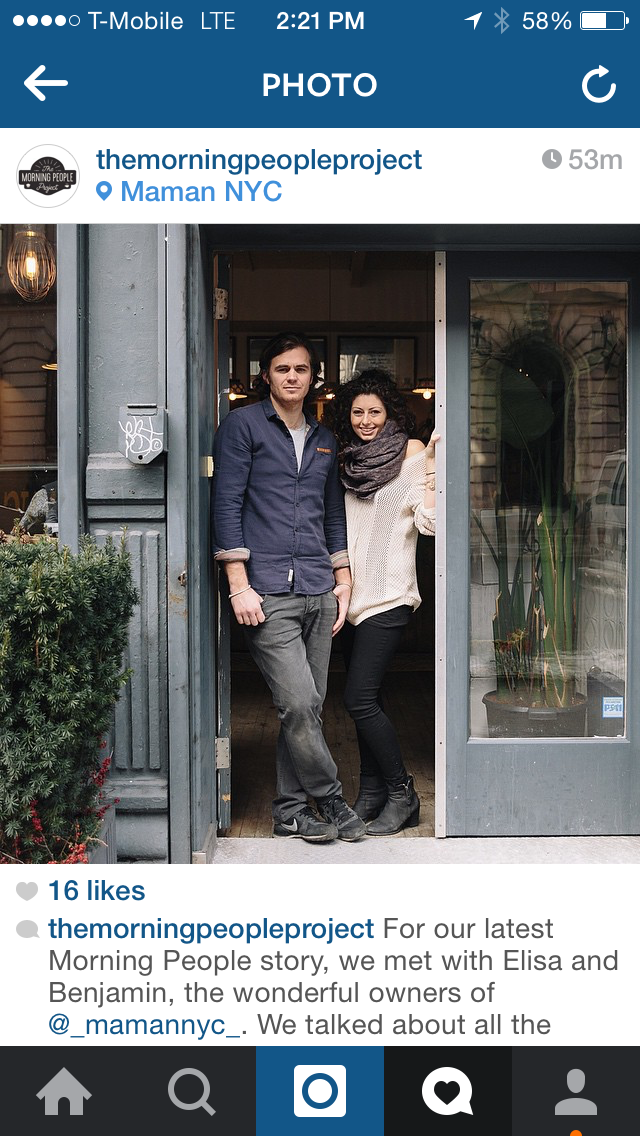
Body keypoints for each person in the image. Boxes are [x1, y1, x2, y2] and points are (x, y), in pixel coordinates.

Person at [211, 331, 366, 843]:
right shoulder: (242, 426)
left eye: (301, 369)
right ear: (266, 376)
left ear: (313, 378)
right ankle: (332, 799)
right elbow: (226, 505)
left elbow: (332, 515)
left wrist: (342, 579)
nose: (292, 377)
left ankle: (289, 811)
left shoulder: (325, 438)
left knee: (307, 707)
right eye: (283, 369)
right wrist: (238, 583)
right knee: (298, 702)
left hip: (319, 590)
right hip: (268, 591)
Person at [333, 370, 439, 835]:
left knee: (358, 699)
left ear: (390, 412)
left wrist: (434, 474)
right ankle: (373, 792)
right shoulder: (346, 461)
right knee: (366, 697)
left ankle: (402, 792)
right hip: (349, 601)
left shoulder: (413, 455)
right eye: (358, 411)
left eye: (374, 411)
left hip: (391, 596)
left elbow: (430, 524)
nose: (366, 420)